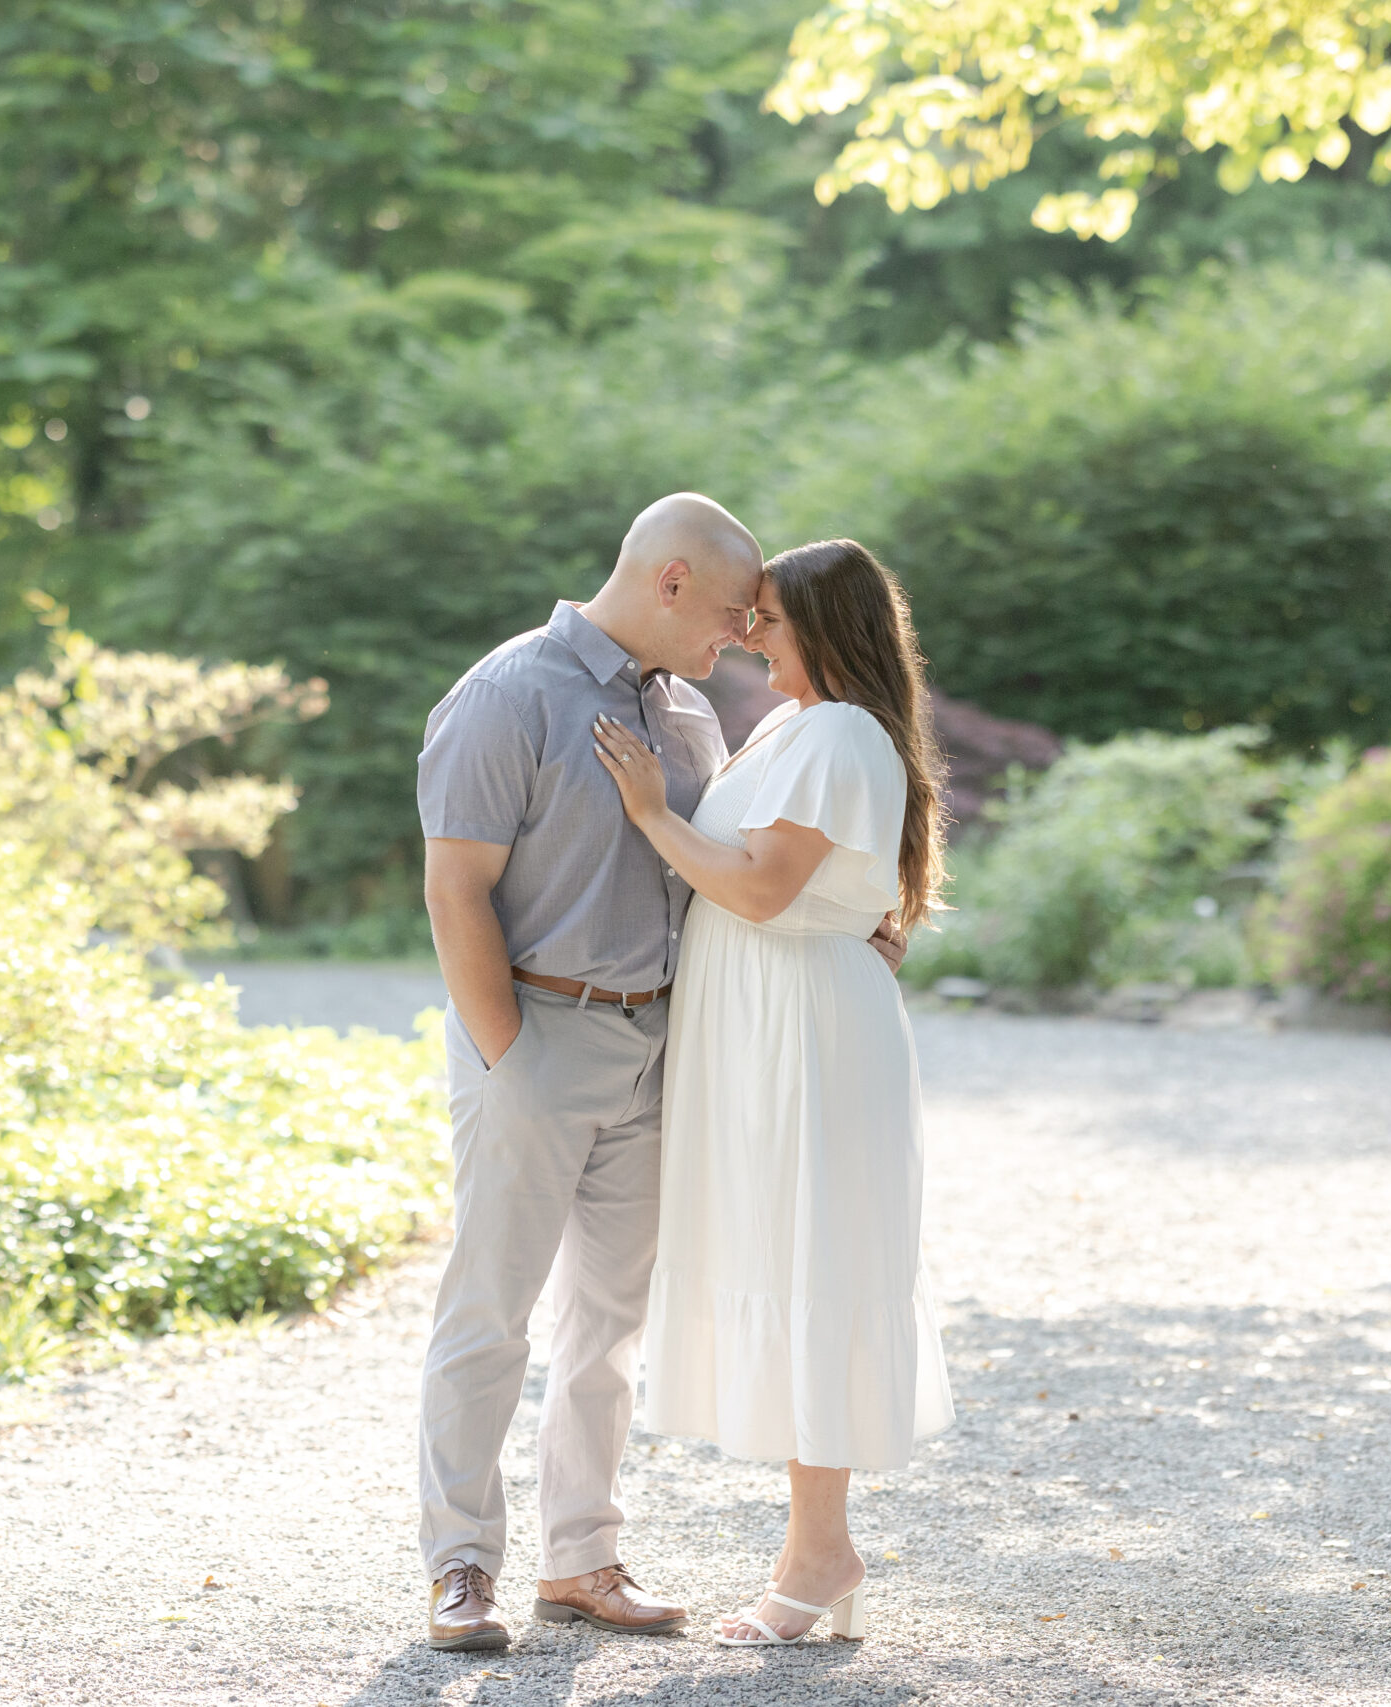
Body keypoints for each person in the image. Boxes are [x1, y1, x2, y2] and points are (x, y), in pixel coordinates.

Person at [412, 496, 905, 1653]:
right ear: (672, 582)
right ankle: (462, 1568)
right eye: (736, 614)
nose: (741, 640)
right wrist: (506, 1054)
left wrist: (847, 923)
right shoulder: (506, 694)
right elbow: (453, 889)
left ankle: (579, 1559)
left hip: (658, 1051)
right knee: (490, 1310)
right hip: (536, 1035)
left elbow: (734, 867)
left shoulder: (683, 716)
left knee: (608, 1327)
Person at [591, 538, 955, 1647]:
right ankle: (820, 1555)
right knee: (789, 1263)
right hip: (771, 1021)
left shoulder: (840, 731)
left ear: (827, 631)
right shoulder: (799, 728)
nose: (750, 637)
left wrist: (653, 814)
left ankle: (819, 1552)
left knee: (814, 1268)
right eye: (750, 618)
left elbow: (758, 888)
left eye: (770, 621)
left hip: (801, 1032)